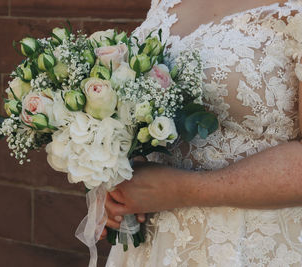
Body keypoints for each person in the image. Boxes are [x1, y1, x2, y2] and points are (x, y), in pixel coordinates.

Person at [103, 0, 302, 266]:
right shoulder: (165, 3)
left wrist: (183, 190)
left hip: (255, 246)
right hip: (157, 244)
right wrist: (118, 184)